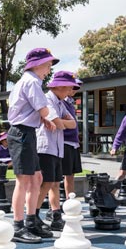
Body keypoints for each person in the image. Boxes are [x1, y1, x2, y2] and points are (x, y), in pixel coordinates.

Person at [7, 47, 57, 243]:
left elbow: (34, 110)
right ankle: (18, 226)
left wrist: (44, 118)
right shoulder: (31, 82)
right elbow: (43, 108)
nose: (48, 70)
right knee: (24, 181)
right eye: (47, 66)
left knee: (36, 178)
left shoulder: (29, 81)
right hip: (22, 133)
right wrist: (51, 119)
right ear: (36, 65)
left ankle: (30, 220)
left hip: (27, 133)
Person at [34, 71, 79, 234]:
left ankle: (41, 215)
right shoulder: (47, 100)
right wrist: (62, 123)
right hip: (46, 147)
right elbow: (58, 123)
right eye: (68, 88)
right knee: (44, 184)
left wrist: (62, 123)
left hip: (56, 148)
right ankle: (32, 216)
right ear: (59, 86)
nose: (70, 92)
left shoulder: (60, 103)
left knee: (51, 183)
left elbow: (72, 124)